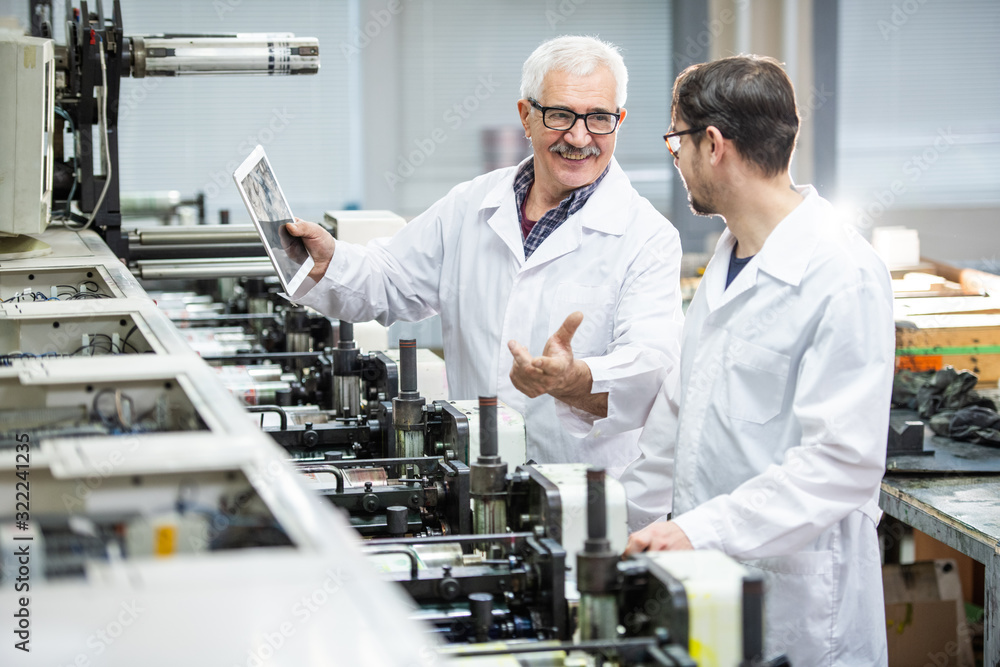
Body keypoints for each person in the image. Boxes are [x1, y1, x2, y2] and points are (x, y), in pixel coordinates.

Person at [286, 36, 683, 477]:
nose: (579, 135)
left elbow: (651, 371)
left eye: (599, 118)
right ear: (526, 117)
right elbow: (389, 278)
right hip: (469, 479)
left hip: (581, 494)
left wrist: (574, 380)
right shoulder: (471, 204)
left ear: (619, 120)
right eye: (560, 115)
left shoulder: (648, 237)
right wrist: (327, 261)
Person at [622, 55, 894, 665]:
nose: (677, 160)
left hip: (800, 603)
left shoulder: (841, 275)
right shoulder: (729, 255)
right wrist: (618, 528)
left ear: (712, 144)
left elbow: (841, 464)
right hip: (707, 582)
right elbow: (677, 415)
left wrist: (699, 529)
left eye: (676, 142)